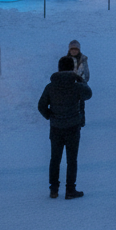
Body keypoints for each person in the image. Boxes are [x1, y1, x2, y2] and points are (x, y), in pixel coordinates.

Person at [37, 55, 93, 199]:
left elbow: (41, 106)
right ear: (72, 69)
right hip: (73, 126)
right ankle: (70, 190)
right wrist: (81, 79)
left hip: (56, 127)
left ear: (59, 68)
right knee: (71, 160)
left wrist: (50, 115)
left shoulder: (50, 86)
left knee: (55, 159)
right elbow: (89, 94)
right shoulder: (76, 86)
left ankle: (54, 189)